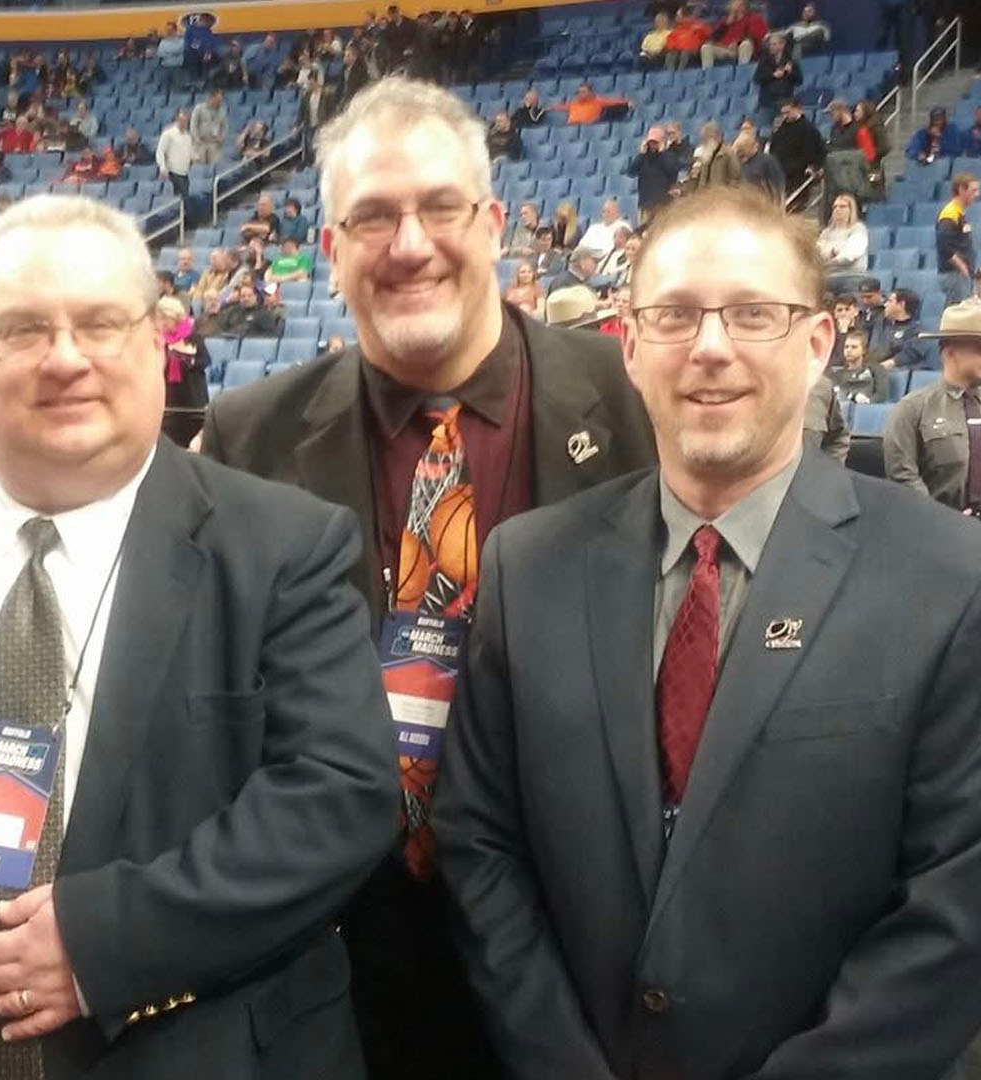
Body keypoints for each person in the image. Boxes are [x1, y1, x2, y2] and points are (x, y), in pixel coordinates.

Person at [434, 183, 981, 1080]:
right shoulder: (528, 567)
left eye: (754, 314)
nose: (711, 348)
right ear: (631, 346)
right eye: (675, 316)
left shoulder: (960, 585)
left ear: (819, 341)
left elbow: (963, 919)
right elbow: (480, 842)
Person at [0, 192, 395, 1080]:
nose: (66, 359)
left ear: (154, 345)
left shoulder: (283, 548)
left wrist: (105, 941)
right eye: (23, 330)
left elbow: (341, 796)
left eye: (100, 324)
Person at [197, 75, 657, 1080]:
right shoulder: (248, 436)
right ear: (331, 250)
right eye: (371, 217)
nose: (409, 244)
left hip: (575, 951)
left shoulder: (631, 404)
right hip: (338, 959)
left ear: (493, 223)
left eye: (440, 208)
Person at [883, 303, 981, 521]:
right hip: (935, 532)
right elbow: (903, 476)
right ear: (950, 353)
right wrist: (939, 523)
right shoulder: (913, 409)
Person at [157, 294, 209, 409]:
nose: (162, 322)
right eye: (160, 318)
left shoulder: (192, 337)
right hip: (168, 395)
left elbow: (205, 361)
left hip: (192, 393)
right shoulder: (160, 339)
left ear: (174, 317)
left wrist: (188, 358)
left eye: (165, 318)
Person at [937, 172, 981, 304]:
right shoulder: (950, 213)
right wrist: (962, 266)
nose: (977, 194)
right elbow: (943, 244)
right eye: (974, 190)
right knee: (958, 315)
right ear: (961, 189)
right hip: (955, 275)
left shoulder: (959, 212)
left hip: (960, 275)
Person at [816, 193, 868, 283]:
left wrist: (829, 260)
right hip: (829, 276)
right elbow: (818, 253)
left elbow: (849, 256)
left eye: (842, 206)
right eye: (835, 207)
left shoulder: (858, 229)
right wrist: (833, 252)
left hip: (852, 276)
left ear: (851, 210)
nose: (837, 209)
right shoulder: (827, 232)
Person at [701, 0, 767, 67]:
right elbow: (713, 37)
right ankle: (708, 74)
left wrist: (738, 43)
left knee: (746, 44)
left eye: (738, 3)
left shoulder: (754, 18)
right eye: (733, 3)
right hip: (725, 48)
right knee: (706, 47)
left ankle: (742, 72)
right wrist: (726, 24)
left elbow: (754, 36)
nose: (733, 5)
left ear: (744, 6)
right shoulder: (726, 21)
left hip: (740, 48)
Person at [156, 111, 192, 199]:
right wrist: (162, 167)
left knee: (184, 199)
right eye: (181, 120)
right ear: (177, 120)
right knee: (179, 199)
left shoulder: (188, 136)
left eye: (185, 121)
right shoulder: (168, 134)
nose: (184, 123)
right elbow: (160, 151)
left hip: (184, 173)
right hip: (172, 173)